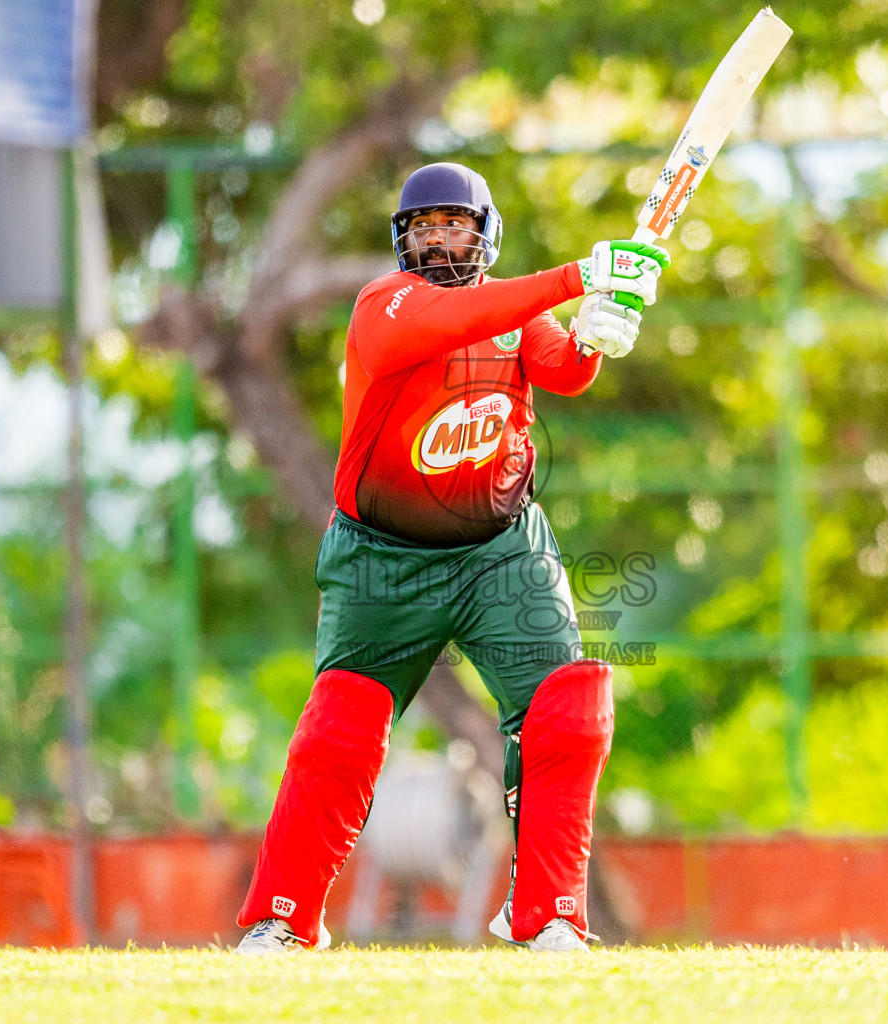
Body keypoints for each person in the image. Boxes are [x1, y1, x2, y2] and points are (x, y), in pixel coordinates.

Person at [232, 161, 669, 954]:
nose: (437, 239)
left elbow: (562, 372)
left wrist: (599, 329)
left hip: (501, 549)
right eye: (422, 227)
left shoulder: (516, 314)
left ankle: (549, 915)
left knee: (565, 713)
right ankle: (283, 918)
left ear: (484, 234)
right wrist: (576, 275)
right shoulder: (384, 306)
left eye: (454, 225)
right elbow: (439, 325)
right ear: (401, 241)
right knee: (341, 731)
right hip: (381, 559)